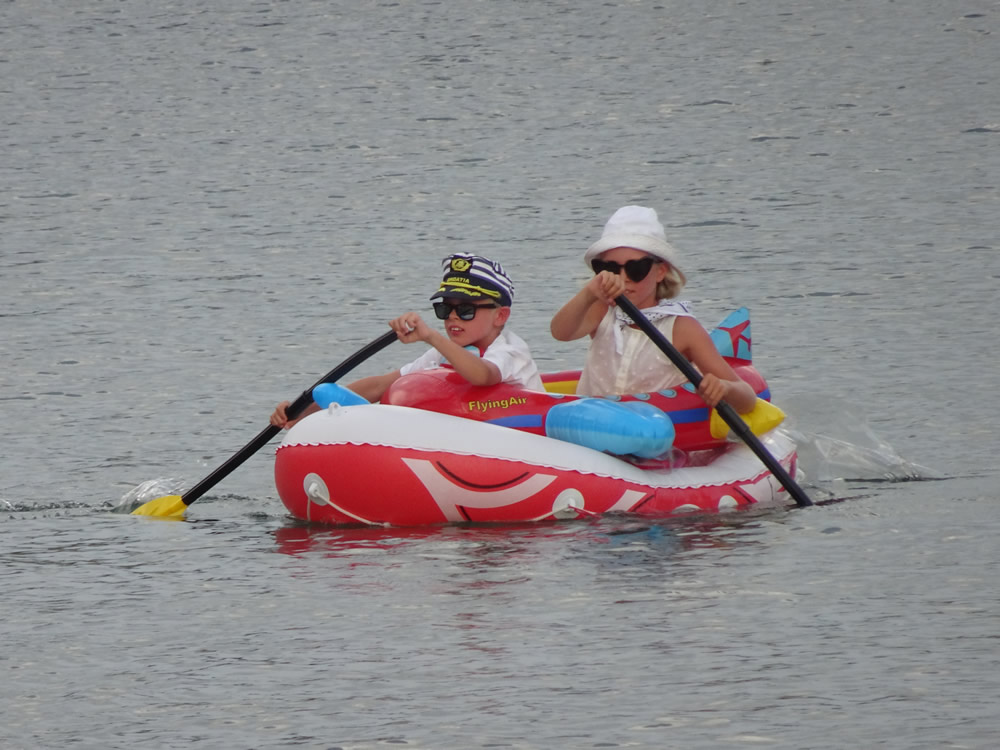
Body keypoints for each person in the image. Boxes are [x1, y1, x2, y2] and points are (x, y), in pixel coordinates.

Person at [270, 253, 544, 429]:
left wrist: (431, 337)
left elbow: (484, 375)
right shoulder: (441, 357)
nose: (452, 318)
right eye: (443, 309)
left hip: (528, 438)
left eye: (465, 310)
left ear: (500, 316)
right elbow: (380, 385)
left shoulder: (510, 349)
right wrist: (302, 414)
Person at [550, 205, 757, 414]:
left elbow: (747, 398)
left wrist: (725, 388)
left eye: (635, 269)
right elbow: (560, 332)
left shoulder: (681, 327)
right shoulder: (602, 310)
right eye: (610, 269)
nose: (623, 278)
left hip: (654, 433)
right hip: (592, 426)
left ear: (660, 272)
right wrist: (589, 293)